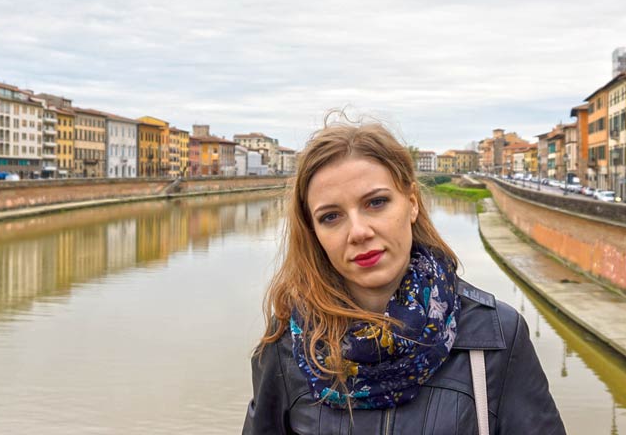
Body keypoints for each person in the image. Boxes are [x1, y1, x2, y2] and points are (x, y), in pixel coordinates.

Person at [242, 121, 565, 434]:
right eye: (331, 217)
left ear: (411, 203)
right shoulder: (288, 345)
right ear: (314, 233)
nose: (358, 232)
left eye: (376, 202)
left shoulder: (495, 337)